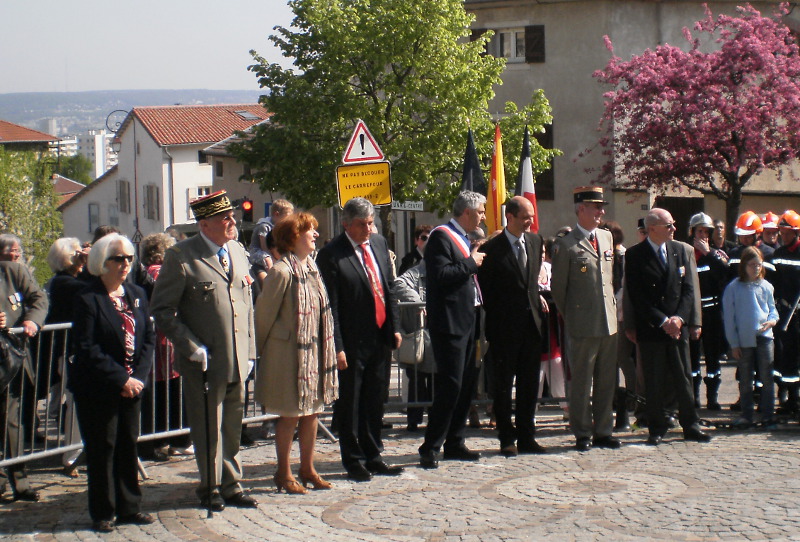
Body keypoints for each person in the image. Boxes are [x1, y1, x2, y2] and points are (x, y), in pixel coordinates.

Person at [150, 190, 258, 511]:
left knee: (233, 425)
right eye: (223, 218)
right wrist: (190, 346)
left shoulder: (237, 250)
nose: (231, 221)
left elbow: (246, 304)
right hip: (206, 362)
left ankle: (232, 483)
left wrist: (250, 350)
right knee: (209, 426)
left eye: (231, 216)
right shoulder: (181, 256)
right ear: (205, 223)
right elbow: (163, 309)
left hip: (238, 356)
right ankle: (209, 486)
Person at [69, 233, 155, 532]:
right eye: (118, 258)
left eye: (129, 258)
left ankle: (130, 506)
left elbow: (148, 338)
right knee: (103, 447)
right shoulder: (86, 297)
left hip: (133, 385)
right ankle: (103, 510)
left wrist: (138, 378)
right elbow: (87, 346)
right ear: (101, 262)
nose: (125, 264)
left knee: (127, 445)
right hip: (98, 386)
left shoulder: (137, 294)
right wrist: (121, 378)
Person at [316, 197, 402, 482]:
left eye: (371, 223)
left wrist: (395, 327)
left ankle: (374, 453)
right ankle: (353, 459)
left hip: (379, 335)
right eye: (362, 224)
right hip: (352, 341)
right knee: (351, 403)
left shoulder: (378, 244)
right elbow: (333, 306)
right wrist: (337, 346)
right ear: (346, 225)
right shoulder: (332, 255)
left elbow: (388, 288)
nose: (368, 229)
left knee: (375, 398)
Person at [254, 212, 338, 494]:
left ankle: (307, 468)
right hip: (287, 356)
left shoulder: (312, 267)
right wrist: (261, 354)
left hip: (312, 354)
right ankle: (284, 472)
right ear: (293, 237)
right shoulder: (281, 271)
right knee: (290, 415)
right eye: (309, 230)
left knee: (312, 412)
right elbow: (263, 316)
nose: (315, 234)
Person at [624, 208, 710, 446]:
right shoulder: (635, 255)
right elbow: (637, 296)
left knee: (683, 378)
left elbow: (688, 290)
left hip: (677, 327)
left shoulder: (680, 251)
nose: (674, 229)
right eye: (669, 225)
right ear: (652, 229)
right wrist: (663, 321)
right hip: (653, 328)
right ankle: (657, 427)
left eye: (673, 224)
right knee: (653, 380)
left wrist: (680, 319)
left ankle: (690, 424)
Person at [417, 191, 486, 469]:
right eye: (480, 211)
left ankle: (455, 441)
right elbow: (441, 275)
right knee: (450, 384)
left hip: (468, 319)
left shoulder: (463, 237)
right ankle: (430, 446)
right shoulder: (441, 236)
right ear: (467, 212)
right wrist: (471, 263)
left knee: (466, 383)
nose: (483, 215)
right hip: (449, 323)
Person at [551, 186, 620, 451]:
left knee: (606, 381)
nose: (601, 212)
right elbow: (559, 289)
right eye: (596, 207)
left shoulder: (606, 237)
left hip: (608, 322)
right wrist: (573, 317)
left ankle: (603, 430)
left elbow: (609, 279)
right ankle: (582, 431)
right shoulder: (566, 244)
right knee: (581, 382)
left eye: (602, 207)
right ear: (581, 209)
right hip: (581, 324)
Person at [477, 196, 547, 457]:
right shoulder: (491, 249)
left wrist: (537, 301)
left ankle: (527, 436)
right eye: (525, 217)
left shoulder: (535, 241)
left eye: (531, 217)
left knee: (530, 386)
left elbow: (532, 282)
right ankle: (507, 437)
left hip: (531, 326)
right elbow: (486, 291)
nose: (530, 222)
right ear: (511, 217)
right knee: (504, 386)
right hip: (504, 328)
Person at [138, 233, 191, 461]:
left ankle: (169, 438)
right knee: (166, 390)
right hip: (162, 339)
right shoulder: (157, 272)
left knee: (166, 390)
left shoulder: (150, 272)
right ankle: (166, 439)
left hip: (162, 339)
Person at [0, 247, 48, 503]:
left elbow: (39, 300)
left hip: (9, 361)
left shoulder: (12, 271)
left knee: (11, 421)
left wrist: (31, 321)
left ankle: (18, 479)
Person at [44, 237, 89, 476]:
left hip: (66, 349)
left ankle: (74, 454)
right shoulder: (66, 284)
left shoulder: (62, 282)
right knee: (74, 401)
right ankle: (71, 456)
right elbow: (93, 289)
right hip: (68, 350)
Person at [722, 246, 778, 428]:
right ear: (744, 265)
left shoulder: (767, 286)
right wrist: (734, 343)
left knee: (767, 378)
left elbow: (773, 311)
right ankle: (747, 415)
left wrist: (771, 322)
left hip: (765, 338)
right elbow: (729, 319)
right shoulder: (733, 288)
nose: (755, 268)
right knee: (746, 379)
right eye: (752, 265)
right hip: (744, 340)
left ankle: (768, 415)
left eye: (758, 265)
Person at [686, 213, 729, 410]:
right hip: (693, 314)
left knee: (712, 356)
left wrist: (708, 254)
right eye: (699, 231)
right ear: (692, 232)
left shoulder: (716, 255)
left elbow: (725, 274)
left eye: (706, 232)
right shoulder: (685, 254)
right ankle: (693, 396)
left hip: (712, 313)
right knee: (693, 357)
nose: (702, 235)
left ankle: (712, 397)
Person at [394, 260, 436, 432]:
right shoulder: (417, 271)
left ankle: (436, 419)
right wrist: (417, 302)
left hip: (437, 334)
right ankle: (414, 419)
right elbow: (399, 283)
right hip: (418, 334)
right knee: (416, 379)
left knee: (436, 379)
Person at [771, 210, 800, 414]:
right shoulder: (778, 255)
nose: (784, 236)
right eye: (782, 232)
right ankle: (791, 398)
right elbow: (774, 282)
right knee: (787, 357)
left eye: (788, 232)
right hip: (785, 314)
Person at [249, 199, 294, 287]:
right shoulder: (264, 226)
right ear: (276, 214)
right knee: (268, 259)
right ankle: (273, 278)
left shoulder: (278, 227)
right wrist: (273, 259)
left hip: (270, 252)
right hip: (257, 252)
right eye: (287, 217)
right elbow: (264, 247)